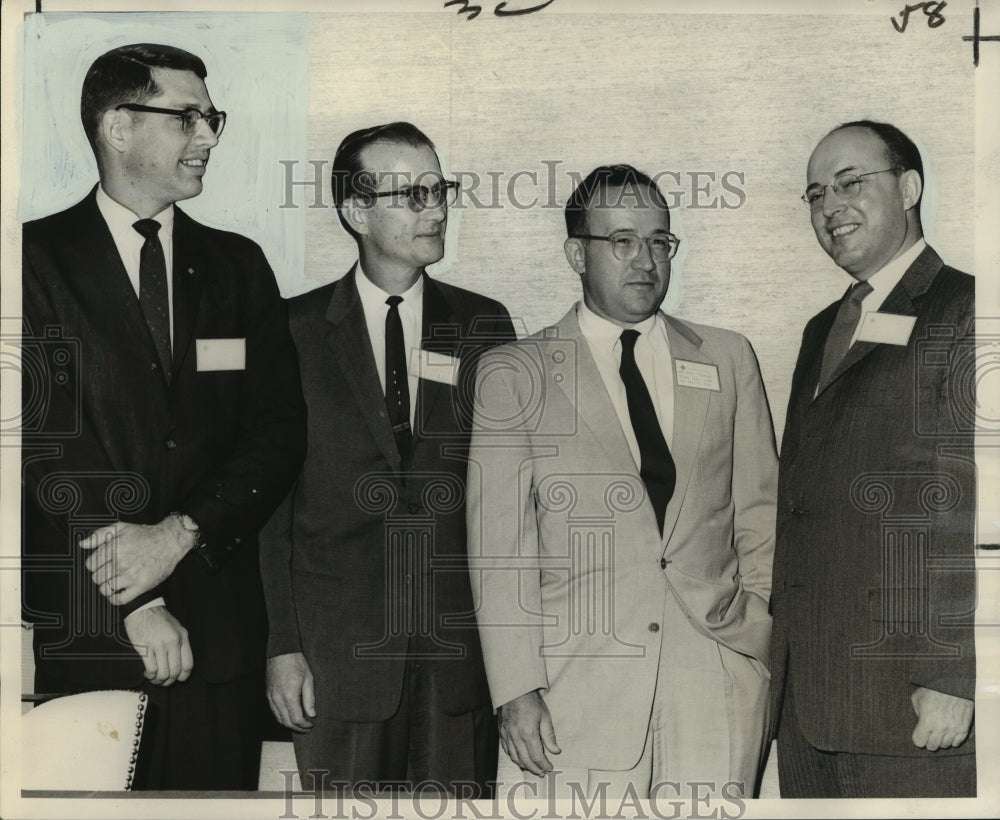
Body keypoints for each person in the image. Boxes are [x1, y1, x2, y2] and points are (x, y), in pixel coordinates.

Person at [21, 44, 306, 789]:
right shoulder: (28, 261)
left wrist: (181, 534)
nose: (208, 137)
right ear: (118, 127)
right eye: (188, 118)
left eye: (211, 119)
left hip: (222, 636)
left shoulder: (239, 266)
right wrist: (139, 595)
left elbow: (278, 433)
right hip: (94, 630)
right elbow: (47, 445)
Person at [467, 164, 778, 799]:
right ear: (575, 254)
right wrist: (516, 690)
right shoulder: (513, 373)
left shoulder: (727, 357)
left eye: (660, 241)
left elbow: (761, 514)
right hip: (572, 691)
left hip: (715, 681)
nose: (645, 260)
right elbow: (500, 553)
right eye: (623, 241)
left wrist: (754, 641)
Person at [260, 121, 515, 796]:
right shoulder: (292, 331)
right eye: (413, 194)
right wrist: (281, 646)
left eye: (440, 189)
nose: (436, 208)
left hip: (459, 665)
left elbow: (509, 504)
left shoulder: (486, 328)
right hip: (337, 664)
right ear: (355, 210)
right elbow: (271, 510)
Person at [769, 120, 976, 798]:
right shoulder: (819, 330)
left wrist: (951, 676)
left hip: (909, 710)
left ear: (910, 187)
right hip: (807, 707)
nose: (830, 207)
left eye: (851, 182)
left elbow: (973, 502)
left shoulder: (967, 308)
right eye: (815, 193)